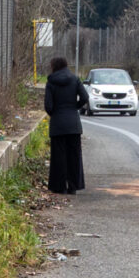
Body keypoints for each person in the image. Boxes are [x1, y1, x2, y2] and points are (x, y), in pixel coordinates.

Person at [43, 55, 86, 193]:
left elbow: (48, 106)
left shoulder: (51, 82)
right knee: (74, 156)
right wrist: (75, 107)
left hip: (58, 124)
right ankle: (73, 186)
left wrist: (55, 114)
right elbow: (85, 97)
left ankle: (59, 187)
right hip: (73, 123)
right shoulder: (75, 79)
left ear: (54, 66)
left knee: (58, 157)